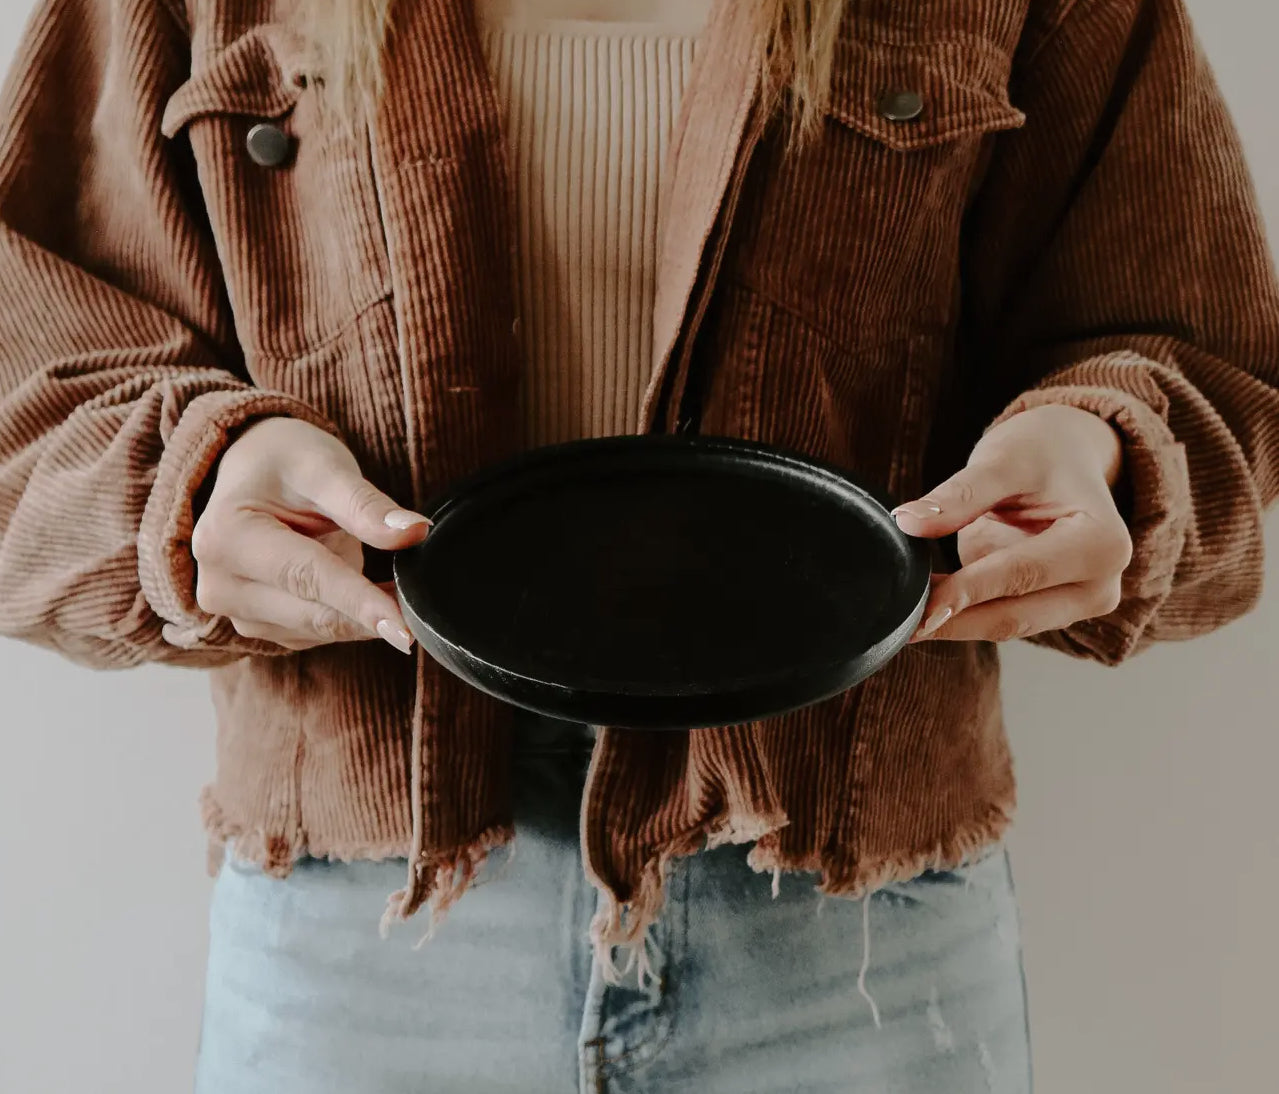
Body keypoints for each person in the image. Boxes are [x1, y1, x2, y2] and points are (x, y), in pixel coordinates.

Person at [0, 0, 1275, 1090]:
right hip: (364, 938)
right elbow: (29, 378)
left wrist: (1104, 445)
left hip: (853, 944)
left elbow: (1198, 350)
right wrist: (191, 482)